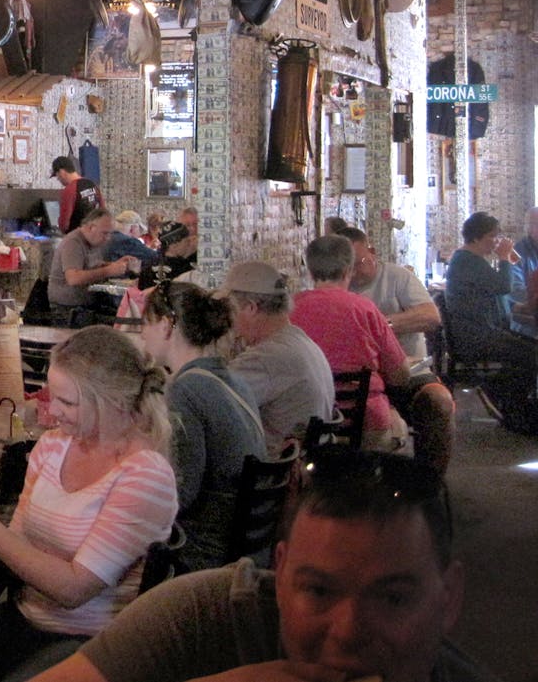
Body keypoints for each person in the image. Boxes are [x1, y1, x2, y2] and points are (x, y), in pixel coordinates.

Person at [27, 450, 497, 682]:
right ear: (281, 572)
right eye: (317, 591)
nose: (348, 631)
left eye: (393, 598)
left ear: (448, 598)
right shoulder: (203, 619)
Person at [0, 326, 177, 682]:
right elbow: (18, 550)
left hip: (88, 650)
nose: (51, 410)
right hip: (23, 623)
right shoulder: (54, 447)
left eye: (67, 402)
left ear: (113, 402)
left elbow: (72, 590)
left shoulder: (144, 476)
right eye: (51, 395)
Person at [140, 282, 265, 571]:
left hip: (205, 548)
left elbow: (182, 493)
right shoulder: (232, 379)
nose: (143, 333)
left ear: (167, 325)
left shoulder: (186, 389)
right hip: (248, 540)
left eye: (146, 323)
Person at [338, 226, 455, 473]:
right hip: (358, 378)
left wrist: (381, 324)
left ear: (372, 251)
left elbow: (431, 316)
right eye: (349, 266)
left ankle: (428, 478)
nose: (356, 271)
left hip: (408, 371)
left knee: (438, 402)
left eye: (360, 262)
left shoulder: (398, 278)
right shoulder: (339, 287)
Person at [290, 235, 411, 452]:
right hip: (367, 423)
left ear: (310, 271)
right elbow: (400, 374)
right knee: (398, 427)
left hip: (306, 426)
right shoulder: (365, 309)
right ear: (349, 270)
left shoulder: (290, 310)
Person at [222, 261, 335, 454]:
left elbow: (208, 399)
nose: (228, 320)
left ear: (250, 308)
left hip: (271, 476)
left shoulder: (268, 357)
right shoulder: (297, 339)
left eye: (230, 310)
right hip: (304, 464)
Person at [445, 211, 538, 430]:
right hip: (479, 336)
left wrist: (519, 307)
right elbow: (503, 287)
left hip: (488, 332)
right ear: (477, 237)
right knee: (532, 355)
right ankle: (508, 403)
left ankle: (516, 405)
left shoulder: (472, 261)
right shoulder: (468, 261)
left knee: (531, 349)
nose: (496, 242)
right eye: (492, 237)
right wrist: (505, 258)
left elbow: (491, 295)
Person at [48, 209, 131, 320]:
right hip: (67, 309)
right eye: (105, 233)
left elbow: (91, 266)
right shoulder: (73, 242)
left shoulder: (95, 242)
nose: (107, 238)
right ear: (91, 227)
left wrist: (114, 265)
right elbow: (73, 278)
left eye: (110, 234)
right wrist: (108, 271)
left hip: (88, 303)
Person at [52, 155, 105, 233]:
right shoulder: (92, 184)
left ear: (62, 172)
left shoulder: (69, 190)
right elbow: (103, 210)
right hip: (94, 235)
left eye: (57, 176)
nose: (58, 179)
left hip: (78, 238)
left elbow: (64, 224)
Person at [512, 206, 538, 338]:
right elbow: (516, 290)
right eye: (535, 224)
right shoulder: (517, 252)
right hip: (527, 323)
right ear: (527, 228)